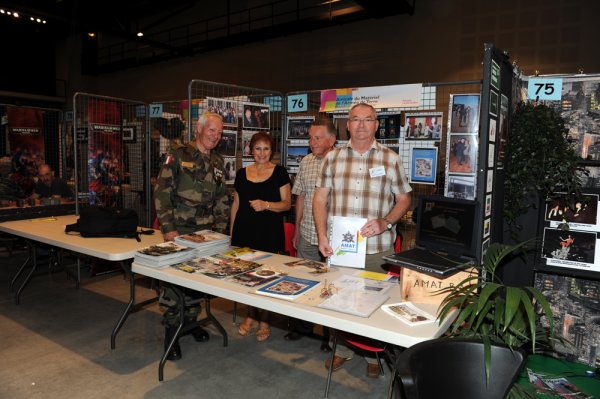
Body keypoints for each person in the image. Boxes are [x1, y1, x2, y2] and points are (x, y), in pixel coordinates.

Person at [313, 103, 412, 378]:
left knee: (374, 305)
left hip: (377, 249)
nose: (360, 125)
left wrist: (386, 222)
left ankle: (373, 354)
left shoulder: (390, 159)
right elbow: (320, 198)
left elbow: (405, 198)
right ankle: (342, 349)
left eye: (367, 120)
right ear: (347, 124)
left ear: (376, 125)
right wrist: (322, 234)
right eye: (355, 119)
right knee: (338, 302)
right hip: (341, 248)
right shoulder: (332, 158)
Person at [153, 111, 230, 361]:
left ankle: (191, 322)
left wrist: (220, 231)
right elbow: (162, 193)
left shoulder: (218, 162)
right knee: (174, 286)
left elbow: (221, 199)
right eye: (212, 131)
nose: (215, 137)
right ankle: (172, 333)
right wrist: (168, 228)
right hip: (179, 231)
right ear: (199, 129)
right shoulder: (177, 155)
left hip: (206, 234)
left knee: (197, 281)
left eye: (219, 133)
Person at [230, 131, 291, 342]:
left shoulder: (280, 172)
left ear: (271, 151)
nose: (262, 153)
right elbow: (236, 205)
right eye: (258, 148)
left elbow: (286, 204)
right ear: (251, 150)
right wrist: (231, 235)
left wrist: (266, 205)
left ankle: (265, 320)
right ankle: (250, 316)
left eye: (266, 148)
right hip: (244, 232)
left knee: (266, 277)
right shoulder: (241, 173)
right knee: (247, 277)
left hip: (268, 233)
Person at [287, 116, 337, 346]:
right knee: (303, 279)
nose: (312, 142)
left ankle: (330, 336)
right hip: (307, 233)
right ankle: (302, 327)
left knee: (332, 286)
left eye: (317, 138)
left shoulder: (342, 163)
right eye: (310, 138)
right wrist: (296, 229)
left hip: (333, 238)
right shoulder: (306, 162)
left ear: (332, 140)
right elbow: (301, 197)